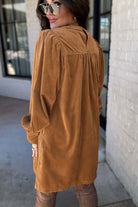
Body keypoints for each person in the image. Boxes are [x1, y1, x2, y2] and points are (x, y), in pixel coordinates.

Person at [21, 0, 104, 206]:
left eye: (56, 4)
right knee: (86, 188)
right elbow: (97, 98)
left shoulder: (49, 39)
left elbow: (40, 98)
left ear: (75, 5)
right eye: (45, 5)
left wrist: (33, 136)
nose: (49, 12)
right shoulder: (93, 45)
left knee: (46, 192)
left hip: (54, 138)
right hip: (87, 136)